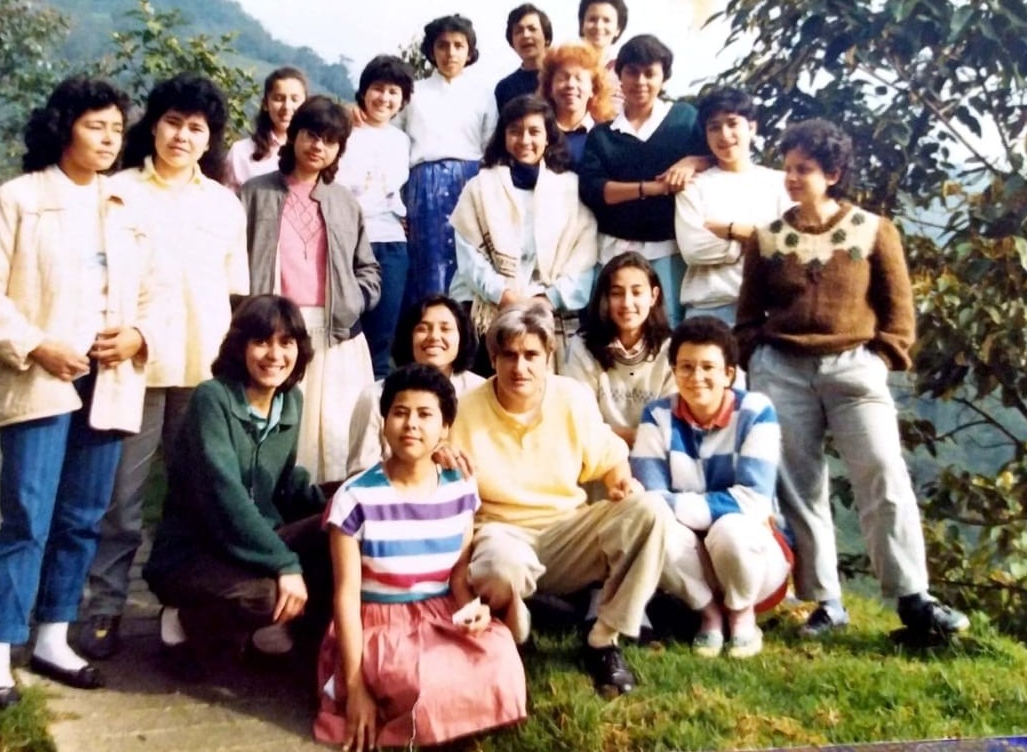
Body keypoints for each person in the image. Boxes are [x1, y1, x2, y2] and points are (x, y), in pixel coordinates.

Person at [0, 76, 161, 707]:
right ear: (64, 126)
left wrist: (135, 334)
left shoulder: (127, 207)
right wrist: (35, 344)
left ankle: (52, 636)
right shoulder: (19, 199)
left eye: (115, 129)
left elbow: (154, 295)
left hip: (111, 380)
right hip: (43, 378)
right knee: (27, 514)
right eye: (95, 125)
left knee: (81, 518)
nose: (108, 139)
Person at [735, 118, 969, 640]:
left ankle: (913, 598)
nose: (793, 178)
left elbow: (899, 310)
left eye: (806, 169)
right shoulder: (768, 239)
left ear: (833, 172)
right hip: (782, 371)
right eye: (789, 168)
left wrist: (880, 358)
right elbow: (748, 316)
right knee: (799, 486)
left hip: (854, 370)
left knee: (882, 473)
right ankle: (826, 601)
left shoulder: (872, 230)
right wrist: (758, 361)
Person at [78, 73, 250, 660]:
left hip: (202, 374)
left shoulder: (225, 205)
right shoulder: (116, 190)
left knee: (189, 498)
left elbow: (234, 294)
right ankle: (103, 607)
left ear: (211, 140)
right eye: (173, 122)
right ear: (153, 124)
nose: (182, 135)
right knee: (120, 499)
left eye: (196, 127)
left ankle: (179, 609)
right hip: (132, 367)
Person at [448, 303, 671, 697]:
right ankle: (512, 639)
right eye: (509, 355)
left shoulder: (571, 397)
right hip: (502, 533)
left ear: (548, 357)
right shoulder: (465, 408)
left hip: (567, 531)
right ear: (493, 357)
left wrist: (621, 484)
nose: (521, 367)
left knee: (649, 510)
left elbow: (612, 457)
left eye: (532, 355)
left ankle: (603, 638)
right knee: (500, 566)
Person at [313, 364, 527, 750]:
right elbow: (346, 596)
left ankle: (443, 712)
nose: (411, 424)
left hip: (440, 614)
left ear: (445, 428)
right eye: (400, 412)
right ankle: (421, 712)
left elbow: (458, 576)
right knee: (419, 679)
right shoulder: (355, 497)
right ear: (384, 421)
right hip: (381, 624)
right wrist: (356, 685)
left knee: (500, 655)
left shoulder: (459, 488)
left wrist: (471, 612)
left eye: (425, 415)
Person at [141, 295, 330, 668]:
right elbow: (223, 495)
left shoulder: (290, 401)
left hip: (250, 537)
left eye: (286, 343)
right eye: (261, 341)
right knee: (262, 595)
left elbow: (286, 482)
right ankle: (182, 619)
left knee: (340, 516)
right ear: (239, 346)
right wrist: (285, 563)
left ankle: (288, 639)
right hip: (195, 553)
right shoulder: (213, 399)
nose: (274, 354)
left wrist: (337, 501)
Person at [630, 316, 791, 659]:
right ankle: (710, 615)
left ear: (729, 373)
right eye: (686, 366)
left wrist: (689, 509)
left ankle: (742, 612)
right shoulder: (657, 416)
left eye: (708, 367)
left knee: (730, 528)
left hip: (752, 558)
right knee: (656, 526)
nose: (696, 377)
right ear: (673, 370)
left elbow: (753, 500)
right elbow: (651, 500)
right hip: (691, 561)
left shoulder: (756, 412)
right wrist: (711, 510)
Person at [239, 96, 381, 483]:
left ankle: (328, 525)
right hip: (274, 334)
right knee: (278, 430)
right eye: (312, 135)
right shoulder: (255, 194)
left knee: (336, 435)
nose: (319, 146)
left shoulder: (344, 202)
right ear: (295, 136)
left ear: (339, 150)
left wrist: (354, 301)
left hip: (336, 335)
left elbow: (368, 268)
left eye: (330, 141)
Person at [449, 94, 598, 367]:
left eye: (534, 131)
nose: (525, 140)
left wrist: (544, 301)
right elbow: (469, 257)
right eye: (514, 131)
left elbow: (583, 259)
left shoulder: (570, 188)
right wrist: (506, 298)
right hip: (486, 309)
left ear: (549, 137)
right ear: (503, 136)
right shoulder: (480, 186)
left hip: (550, 311)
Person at [577, 34, 712, 327]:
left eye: (650, 73)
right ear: (620, 76)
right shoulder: (602, 134)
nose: (640, 81)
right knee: (610, 330)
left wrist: (692, 161)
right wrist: (653, 188)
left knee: (668, 328)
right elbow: (594, 190)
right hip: (614, 252)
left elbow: (715, 157)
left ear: (664, 78)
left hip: (669, 252)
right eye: (632, 72)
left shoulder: (684, 119)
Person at [397, 14, 497, 309]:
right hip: (423, 189)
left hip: (469, 184)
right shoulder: (413, 93)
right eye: (442, 45)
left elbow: (490, 147)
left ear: (469, 51)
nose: (450, 53)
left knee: (469, 267)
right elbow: (396, 147)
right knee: (428, 269)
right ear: (431, 51)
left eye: (458, 45)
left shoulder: (483, 94)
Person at [674, 87, 790, 325]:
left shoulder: (780, 183)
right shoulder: (693, 185)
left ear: (752, 127)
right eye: (714, 127)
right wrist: (755, 241)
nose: (724, 135)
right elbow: (694, 249)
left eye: (732, 123)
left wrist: (731, 230)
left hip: (770, 309)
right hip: (710, 308)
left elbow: (788, 245)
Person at [336, 55, 415, 379]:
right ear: (364, 91)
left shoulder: (402, 140)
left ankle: (376, 419)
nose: (384, 98)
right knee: (345, 334)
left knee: (381, 338)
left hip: (392, 244)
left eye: (394, 92)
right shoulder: (343, 129)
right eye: (377, 89)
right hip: (348, 242)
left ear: (403, 99)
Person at [345, 294, 484, 475]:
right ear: (408, 337)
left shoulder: (479, 392)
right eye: (422, 328)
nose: (434, 336)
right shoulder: (375, 396)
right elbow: (360, 473)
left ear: (463, 337)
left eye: (445, 329)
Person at [562, 252, 674, 446]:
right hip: (598, 457)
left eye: (637, 292)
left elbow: (671, 427)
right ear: (604, 298)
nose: (627, 303)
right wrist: (637, 437)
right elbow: (581, 424)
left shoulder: (672, 349)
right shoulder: (582, 346)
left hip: (655, 457)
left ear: (653, 296)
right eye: (617, 293)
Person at [221, 66, 307, 191]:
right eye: (279, 98)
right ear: (266, 103)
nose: (287, 106)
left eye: (295, 99)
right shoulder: (241, 152)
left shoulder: (315, 153)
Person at [537, 41, 617, 169]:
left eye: (579, 78)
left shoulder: (607, 136)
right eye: (562, 78)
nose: (571, 85)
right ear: (549, 88)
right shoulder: (537, 132)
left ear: (593, 89)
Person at [494, 3, 553, 111]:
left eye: (532, 29)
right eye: (518, 31)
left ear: (547, 37)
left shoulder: (561, 78)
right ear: (512, 43)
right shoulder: (504, 88)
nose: (525, 35)